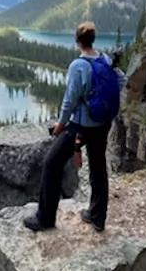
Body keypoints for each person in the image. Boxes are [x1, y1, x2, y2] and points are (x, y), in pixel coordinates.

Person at [24, 21, 126, 233]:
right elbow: (122, 81)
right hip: (102, 125)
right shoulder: (105, 59)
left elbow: (70, 101)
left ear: (77, 41)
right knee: (98, 167)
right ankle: (97, 217)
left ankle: (45, 219)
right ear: (93, 40)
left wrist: (60, 125)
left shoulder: (78, 66)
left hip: (80, 127)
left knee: (52, 164)